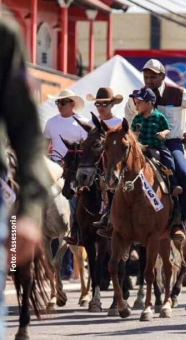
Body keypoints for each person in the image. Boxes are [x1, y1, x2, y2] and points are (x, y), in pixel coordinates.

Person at [0, 19, 51, 337]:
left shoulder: (3, 33)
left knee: (178, 171)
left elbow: (26, 130)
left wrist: (30, 209)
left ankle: (177, 222)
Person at [125, 59, 186, 241]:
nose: (148, 80)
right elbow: (128, 111)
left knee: (182, 172)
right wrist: (133, 135)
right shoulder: (139, 95)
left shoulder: (177, 93)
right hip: (143, 144)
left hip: (171, 144)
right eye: (146, 76)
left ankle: (179, 221)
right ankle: (114, 219)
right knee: (121, 172)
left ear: (162, 76)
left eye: (153, 77)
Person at [130, 87, 183, 240]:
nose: (136, 105)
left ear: (150, 103)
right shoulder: (137, 118)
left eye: (139, 102)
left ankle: (173, 184)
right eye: (135, 102)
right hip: (140, 150)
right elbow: (132, 133)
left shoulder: (159, 117)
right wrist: (135, 135)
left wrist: (163, 134)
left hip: (157, 147)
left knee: (169, 161)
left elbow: (167, 128)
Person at [44, 89, 87, 265]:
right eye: (58, 103)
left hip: (74, 168)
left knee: (75, 196)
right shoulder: (51, 123)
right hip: (53, 165)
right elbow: (44, 146)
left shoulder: (83, 122)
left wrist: (71, 163)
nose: (60, 106)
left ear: (72, 104)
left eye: (63, 102)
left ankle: (75, 228)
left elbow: (88, 149)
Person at [80, 87, 124, 238]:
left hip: (116, 165)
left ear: (112, 105)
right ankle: (76, 228)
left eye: (104, 104)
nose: (100, 107)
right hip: (97, 167)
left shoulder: (120, 122)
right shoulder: (92, 124)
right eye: (98, 104)